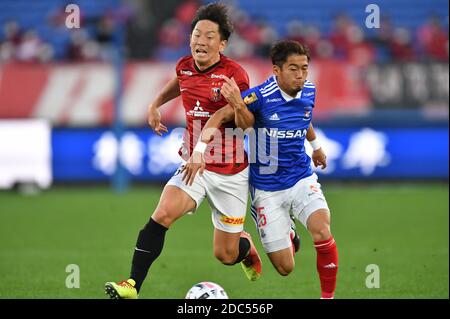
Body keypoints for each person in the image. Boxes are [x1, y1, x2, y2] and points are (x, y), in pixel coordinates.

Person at [104, 2, 262, 299]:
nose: (200, 41)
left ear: (223, 43)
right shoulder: (185, 65)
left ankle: (245, 246)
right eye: (196, 34)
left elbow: (243, 126)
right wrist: (155, 105)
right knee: (162, 214)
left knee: (226, 255)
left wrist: (238, 103)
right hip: (194, 165)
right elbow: (179, 83)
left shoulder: (235, 75)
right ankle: (132, 285)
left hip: (230, 172)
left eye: (209, 36)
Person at [183, 40, 338, 299]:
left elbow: (305, 116)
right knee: (285, 268)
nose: (300, 75)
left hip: (301, 177)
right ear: (276, 70)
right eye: (293, 69)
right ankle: (287, 230)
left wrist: (316, 146)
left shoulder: (309, 90)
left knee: (322, 229)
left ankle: (327, 297)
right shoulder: (259, 97)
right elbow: (219, 117)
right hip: (266, 188)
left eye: (304, 69)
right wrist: (199, 150)